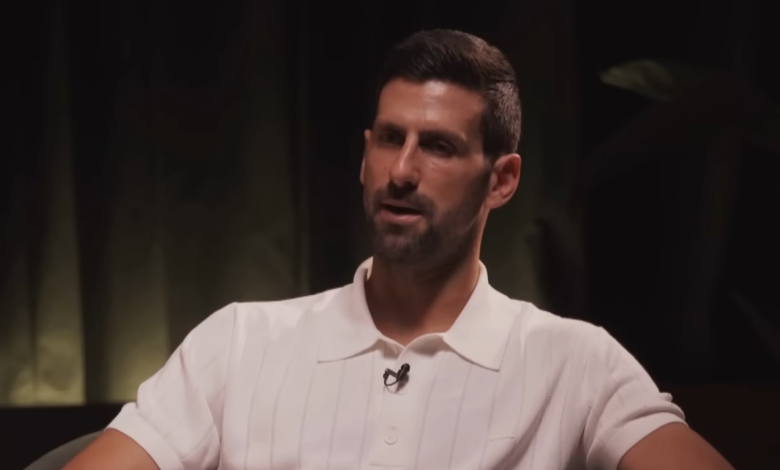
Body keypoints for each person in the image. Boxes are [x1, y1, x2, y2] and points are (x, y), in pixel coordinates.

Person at [63, 29, 735, 470]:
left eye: (438, 146)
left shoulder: (575, 361)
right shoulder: (240, 342)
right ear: (365, 155)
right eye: (390, 139)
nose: (402, 171)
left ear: (501, 180)